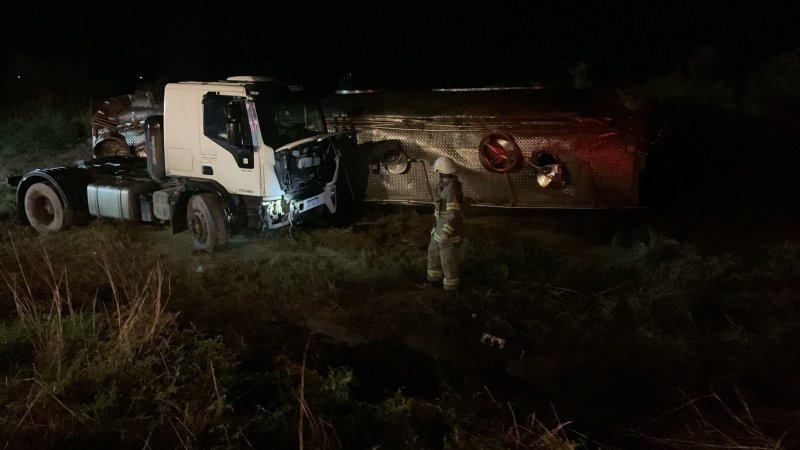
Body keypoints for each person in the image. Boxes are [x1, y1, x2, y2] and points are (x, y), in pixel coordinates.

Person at [427, 156, 464, 293]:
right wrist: (436, 228)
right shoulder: (444, 186)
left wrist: (446, 233)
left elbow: (454, 214)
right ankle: (433, 280)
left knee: (447, 260)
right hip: (438, 230)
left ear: (440, 172)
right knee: (433, 253)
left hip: (447, 234)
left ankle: (450, 287)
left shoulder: (451, 189)